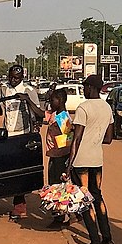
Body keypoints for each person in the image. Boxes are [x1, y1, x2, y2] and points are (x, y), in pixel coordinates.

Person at [67, 74, 115, 244]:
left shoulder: (83, 108)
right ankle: (107, 237)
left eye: (85, 87)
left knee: (85, 200)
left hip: (81, 161)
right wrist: (94, 139)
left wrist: (69, 164)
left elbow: (76, 139)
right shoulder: (107, 107)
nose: (84, 90)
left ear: (91, 88)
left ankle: (95, 242)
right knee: (98, 196)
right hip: (97, 159)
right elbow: (109, 138)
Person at [0, 65, 46, 219]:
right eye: (11, 77)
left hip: (23, 135)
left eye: (16, 78)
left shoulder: (29, 91)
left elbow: (38, 113)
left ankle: (19, 206)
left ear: (22, 77)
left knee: (20, 172)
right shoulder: (3, 89)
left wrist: (34, 130)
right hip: (7, 135)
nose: (13, 80)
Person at [43, 89, 73, 227]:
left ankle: (60, 217)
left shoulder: (63, 118)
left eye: (52, 100)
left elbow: (67, 140)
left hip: (60, 156)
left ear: (60, 101)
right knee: (56, 186)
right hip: (55, 155)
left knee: (58, 187)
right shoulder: (56, 115)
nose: (50, 102)